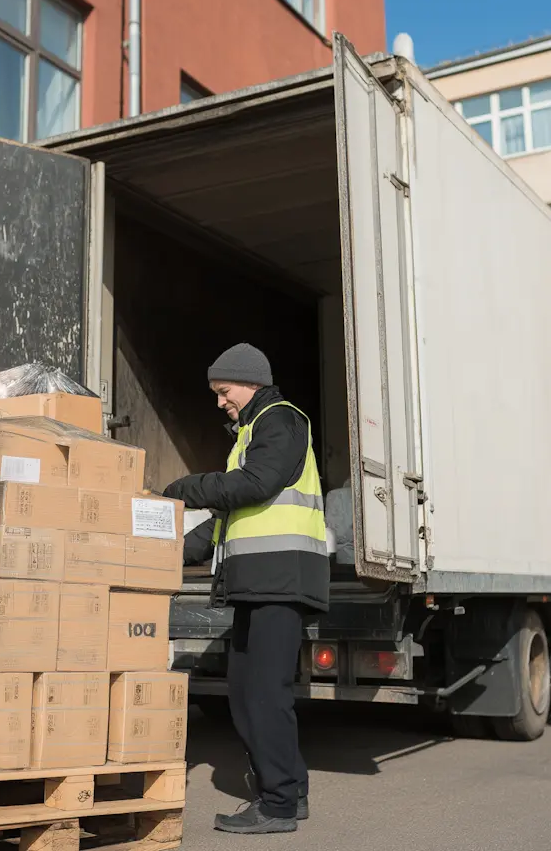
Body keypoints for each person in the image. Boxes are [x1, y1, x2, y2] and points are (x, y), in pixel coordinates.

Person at [163, 343, 329, 835]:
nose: (219, 401)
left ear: (250, 382)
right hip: (257, 585)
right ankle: (290, 791)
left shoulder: (281, 420)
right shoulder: (251, 432)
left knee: (263, 694)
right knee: (244, 692)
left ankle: (277, 805)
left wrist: (182, 487)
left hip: (281, 582)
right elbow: (221, 523)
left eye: (223, 391)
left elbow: (254, 485)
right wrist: (158, 553)